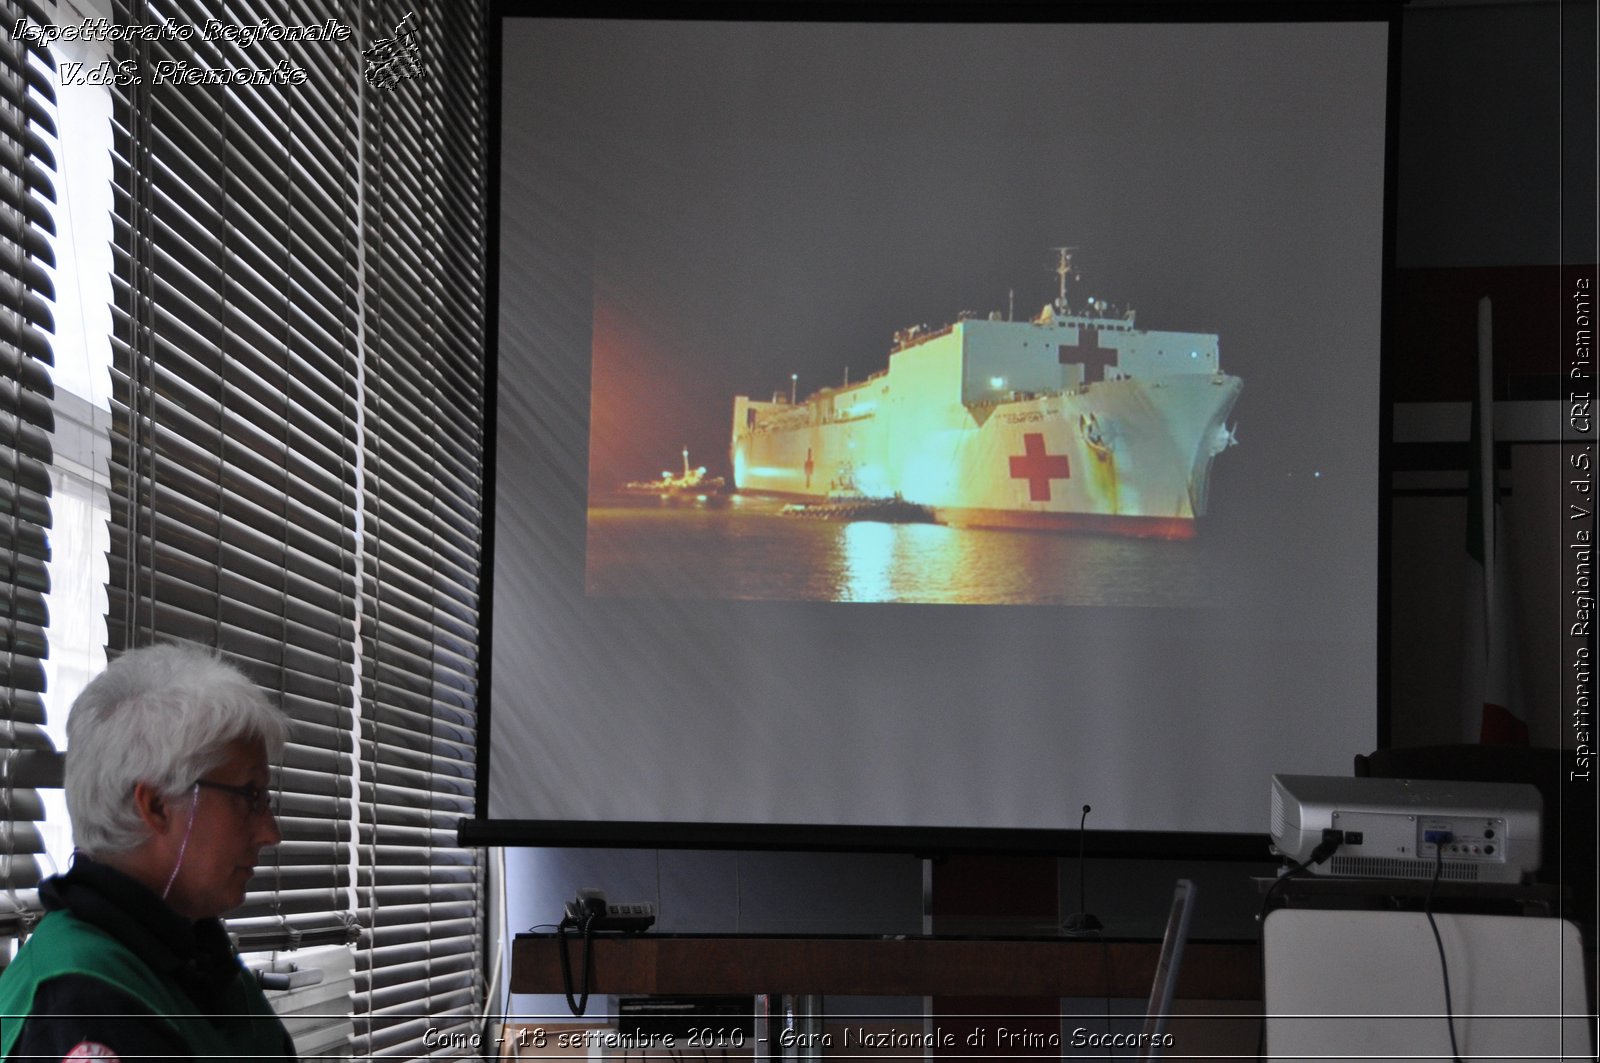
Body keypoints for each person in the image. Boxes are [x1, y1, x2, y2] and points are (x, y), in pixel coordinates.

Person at [0, 642, 298, 1061]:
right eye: (250, 796)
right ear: (156, 805)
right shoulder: (84, 1004)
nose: (271, 832)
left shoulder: (191, 957)